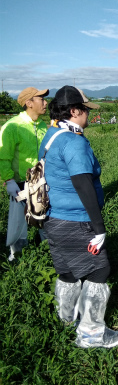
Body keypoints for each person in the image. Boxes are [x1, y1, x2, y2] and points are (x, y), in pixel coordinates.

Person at [40, 85, 118, 349]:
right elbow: (82, 184)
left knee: (67, 270)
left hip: (53, 218)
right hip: (76, 219)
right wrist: (99, 228)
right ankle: (91, 334)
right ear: (75, 110)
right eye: (86, 110)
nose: (88, 115)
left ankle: (66, 316)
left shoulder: (52, 134)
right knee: (99, 270)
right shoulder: (74, 142)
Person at [0, 86, 49, 259]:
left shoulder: (43, 125)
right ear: (29, 103)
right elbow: (3, 157)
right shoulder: (12, 127)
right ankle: (17, 256)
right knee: (18, 222)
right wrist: (9, 179)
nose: (45, 102)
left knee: (43, 216)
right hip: (19, 183)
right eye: (41, 99)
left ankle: (47, 252)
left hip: (40, 182)